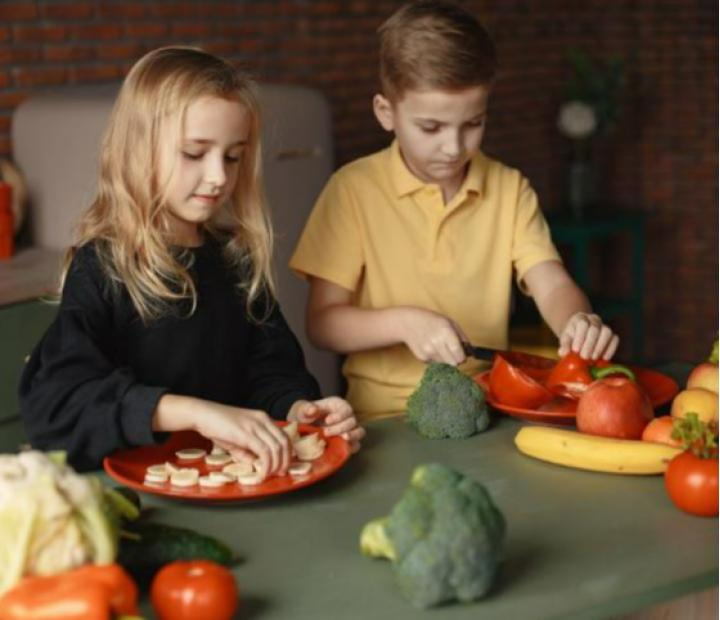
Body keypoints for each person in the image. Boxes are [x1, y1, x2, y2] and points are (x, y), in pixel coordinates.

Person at [19, 47, 364, 473]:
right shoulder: (102, 267)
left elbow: (271, 372)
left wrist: (298, 411)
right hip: (138, 496)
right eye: (195, 153)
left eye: (233, 156)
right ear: (138, 150)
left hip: (231, 486)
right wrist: (195, 412)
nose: (219, 176)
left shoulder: (236, 262)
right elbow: (57, 406)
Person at [290, 1, 619, 420]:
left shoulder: (509, 188)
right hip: (382, 419)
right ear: (386, 113)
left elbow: (551, 285)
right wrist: (403, 323)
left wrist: (577, 320)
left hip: (488, 407)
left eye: (473, 123)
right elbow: (322, 325)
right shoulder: (351, 191)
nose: (453, 147)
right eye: (431, 128)